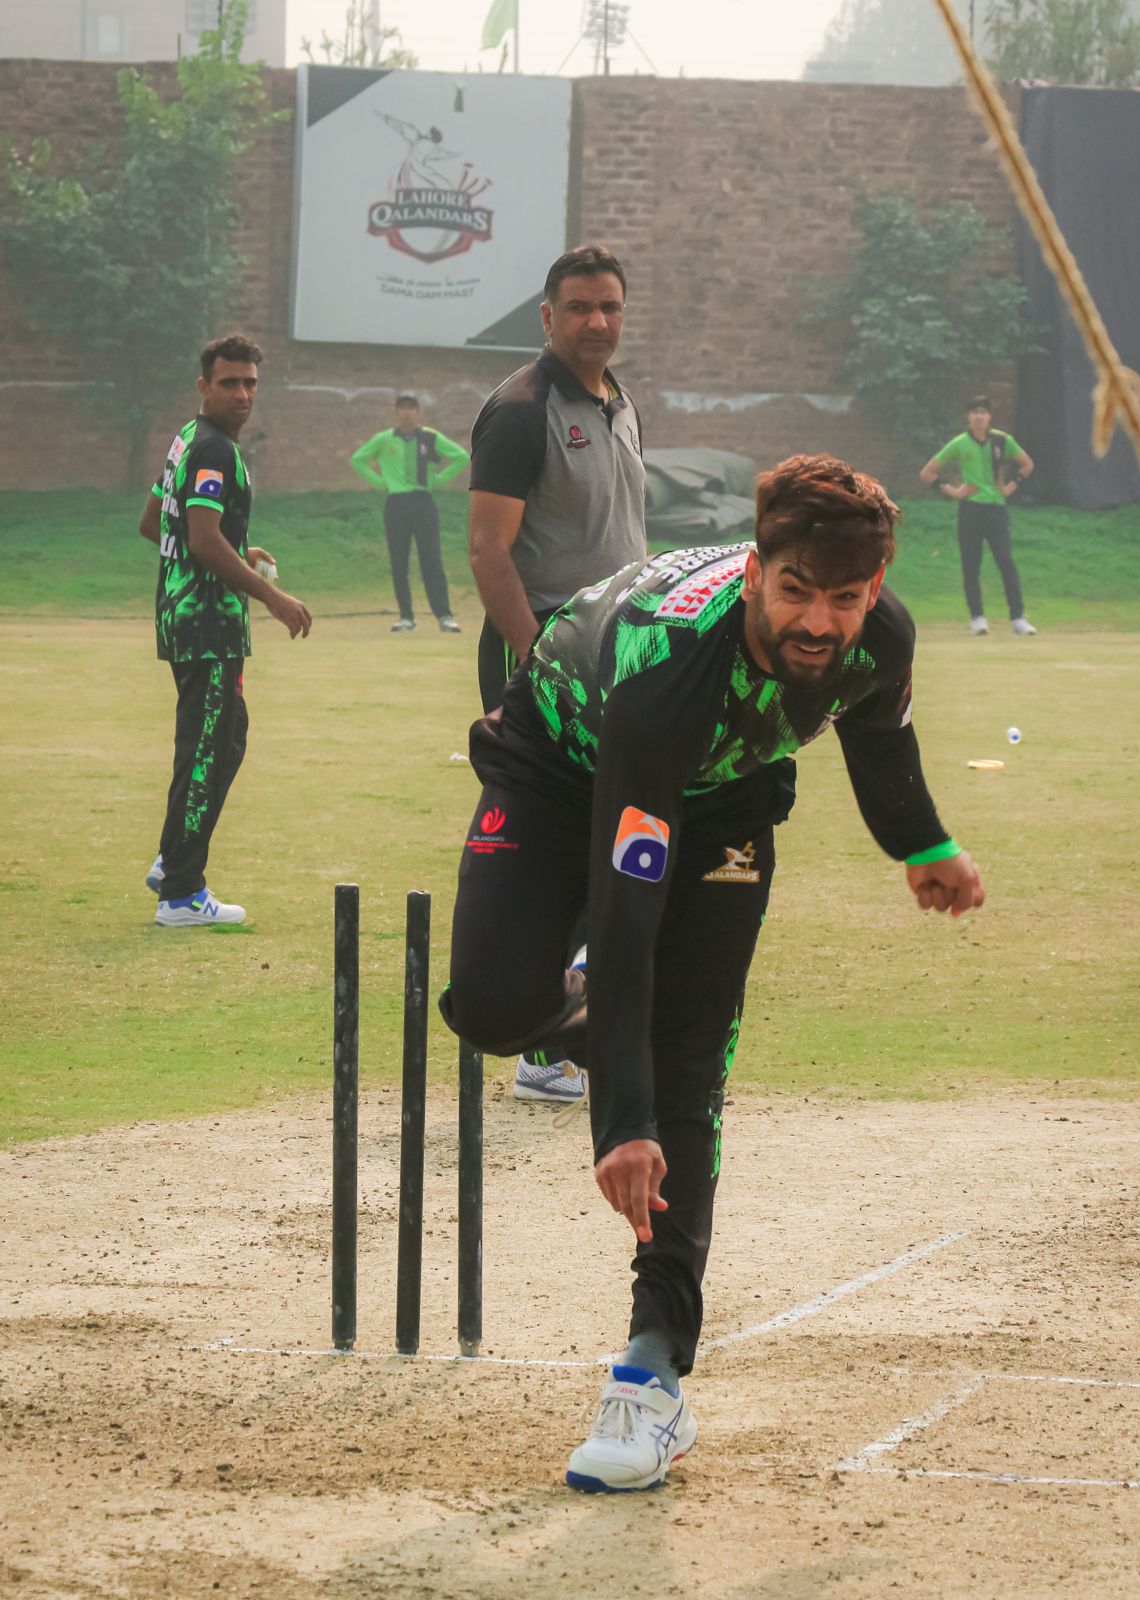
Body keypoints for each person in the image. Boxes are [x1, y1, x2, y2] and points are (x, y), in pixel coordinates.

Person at [440, 453, 985, 1494]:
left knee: (687, 1064)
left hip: (725, 801)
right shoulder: (670, 673)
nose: (818, 622)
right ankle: (616, 1047)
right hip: (563, 766)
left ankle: (649, 1375)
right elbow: (625, 909)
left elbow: (878, 734)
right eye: (795, 592)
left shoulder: (878, 635)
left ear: (873, 586)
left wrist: (922, 844)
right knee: (494, 1007)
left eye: (844, 598)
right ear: (752, 573)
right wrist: (620, 1117)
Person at [468, 242, 648, 1103]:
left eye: (609, 306)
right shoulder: (520, 410)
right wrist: (540, 665)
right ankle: (542, 1046)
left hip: (619, 657)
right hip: (543, 660)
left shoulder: (620, 402)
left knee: (609, 840)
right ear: (547, 316)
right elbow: (488, 550)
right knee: (548, 847)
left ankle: (575, 1025)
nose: (595, 321)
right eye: (578, 307)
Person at [139, 334, 312, 927]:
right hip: (208, 627)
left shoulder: (188, 438)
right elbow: (202, 539)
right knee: (206, 752)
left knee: (226, 738)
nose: (242, 394)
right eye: (230, 383)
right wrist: (272, 597)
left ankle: (173, 858)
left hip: (183, 619)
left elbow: (154, 522)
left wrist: (237, 547)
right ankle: (181, 894)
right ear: (203, 385)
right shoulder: (213, 448)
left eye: (250, 383)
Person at [350, 394, 469, 634]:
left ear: (418, 411)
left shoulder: (430, 437)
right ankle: (406, 616)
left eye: (411, 408)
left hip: (423, 502)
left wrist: (438, 480)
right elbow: (358, 460)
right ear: (396, 412)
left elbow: (461, 457)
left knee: (431, 559)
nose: (406, 413)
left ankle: (444, 616)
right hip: (396, 503)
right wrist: (382, 483)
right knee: (399, 561)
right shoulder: (384, 439)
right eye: (402, 408)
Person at [920, 396, 1036, 637]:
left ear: (989, 416)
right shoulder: (960, 443)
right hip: (970, 510)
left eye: (983, 412)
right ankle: (978, 618)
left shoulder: (1002, 440)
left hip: (996, 509)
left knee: (1006, 561)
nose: (979, 417)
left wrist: (1011, 486)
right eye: (974, 413)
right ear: (969, 417)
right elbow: (928, 472)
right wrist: (953, 491)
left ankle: (1018, 618)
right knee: (971, 565)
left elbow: (1027, 464)